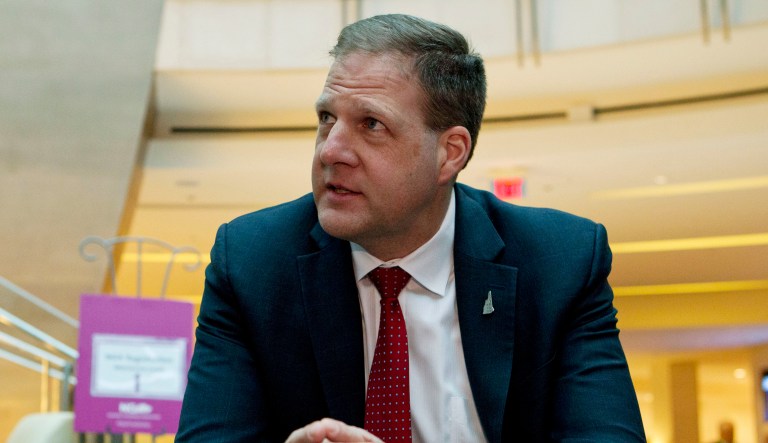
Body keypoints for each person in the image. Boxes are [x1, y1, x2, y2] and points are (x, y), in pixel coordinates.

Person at [175, 13, 645, 443]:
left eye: (372, 124)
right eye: (326, 119)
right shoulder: (253, 262)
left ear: (450, 152)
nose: (330, 150)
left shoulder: (560, 263)